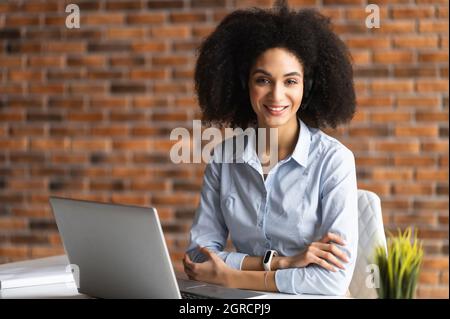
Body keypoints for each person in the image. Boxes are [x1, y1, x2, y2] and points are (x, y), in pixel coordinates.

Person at [183, 1, 358, 296]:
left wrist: (232, 276)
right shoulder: (223, 158)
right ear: (244, 83)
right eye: (263, 80)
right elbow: (199, 257)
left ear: (307, 87)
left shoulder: (334, 162)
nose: (277, 95)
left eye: (291, 81)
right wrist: (282, 263)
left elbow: (332, 280)